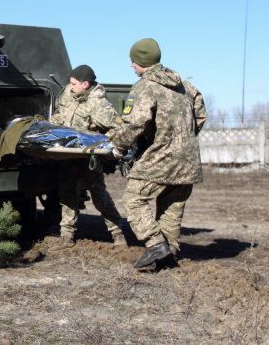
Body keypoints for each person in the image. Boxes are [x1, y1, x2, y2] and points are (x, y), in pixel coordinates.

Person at [111, 38, 206, 269]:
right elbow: (201, 116)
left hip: (160, 158)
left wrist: (118, 146)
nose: (132, 66)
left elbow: (134, 123)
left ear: (141, 62)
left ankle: (155, 245)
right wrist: (183, 139)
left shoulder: (145, 86)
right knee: (172, 206)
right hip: (189, 160)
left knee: (133, 199)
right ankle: (169, 254)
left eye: (132, 62)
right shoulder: (186, 86)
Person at [49, 64, 126, 247]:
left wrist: (101, 142)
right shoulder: (68, 93)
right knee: (67, 193)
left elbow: (117, 127)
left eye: (74, 83)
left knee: (99, 196)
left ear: (85, 84)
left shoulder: (98, 103)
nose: (70, 86)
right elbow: (60, 114)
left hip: (88, 157)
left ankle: (117, 233)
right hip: (68, 154)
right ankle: (66, 235)